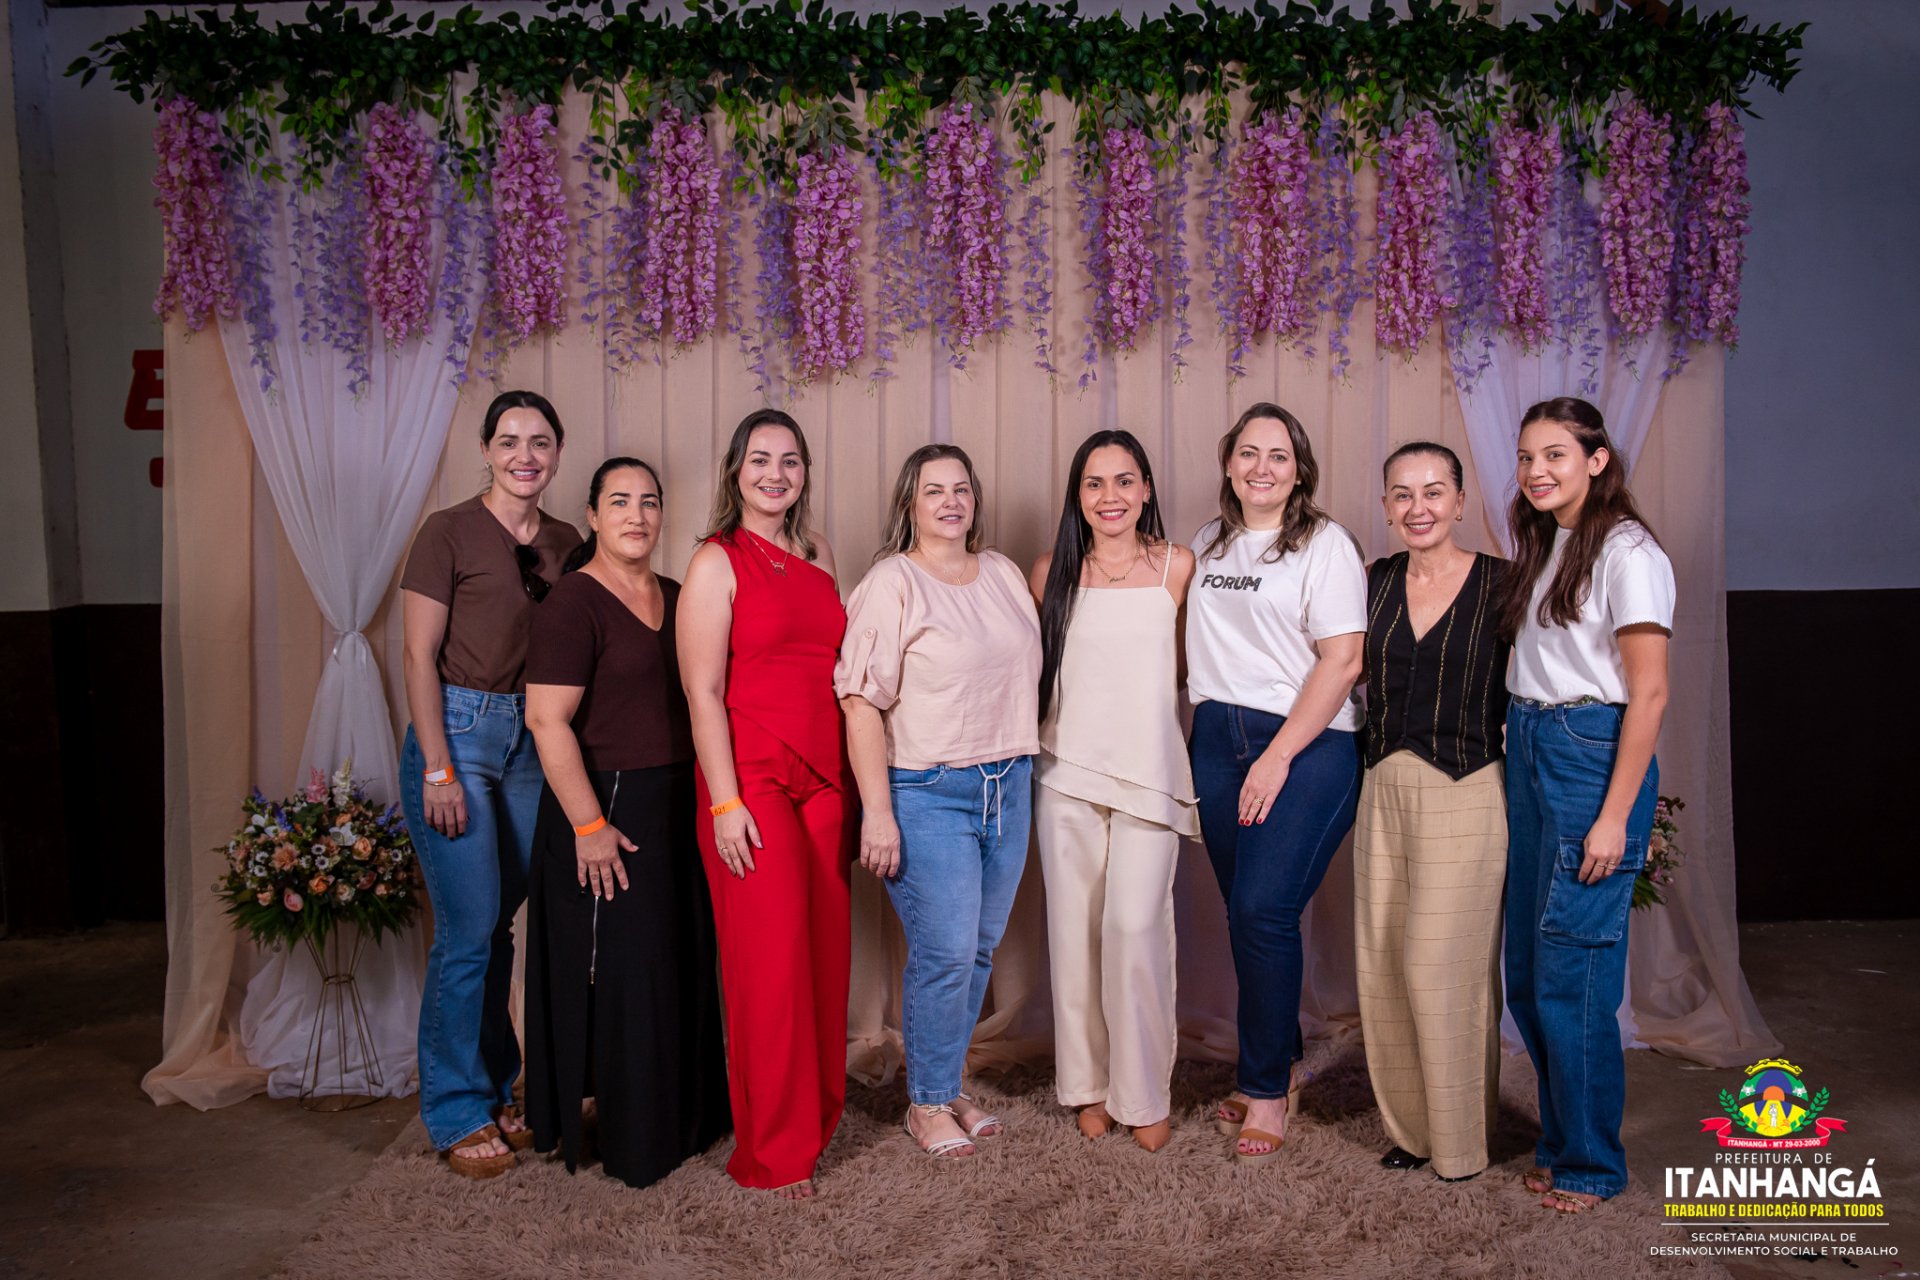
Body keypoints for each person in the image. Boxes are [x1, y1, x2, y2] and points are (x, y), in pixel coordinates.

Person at [522, 457, 730, 1189]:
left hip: (679, 799)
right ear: (592, 515)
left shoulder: (678, 594)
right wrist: (588, 827)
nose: (636, 516)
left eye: (648, 502)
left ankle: (687, 1120)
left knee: (679, 963)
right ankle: (637, 1140)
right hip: (608, 805)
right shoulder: (572, 602)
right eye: (619, 502)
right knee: (628, 975)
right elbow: (546, 721)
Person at [837, 445, 1041, 1161]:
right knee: (945, 952)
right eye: (934, 491)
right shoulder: (891, 583)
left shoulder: (1004, 573)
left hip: (1009, 782)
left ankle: (946, 1085)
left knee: (977, 951)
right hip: (928, 791)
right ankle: (924, 1105)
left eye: (961, 489)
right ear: (910, 504)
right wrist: (877, 811)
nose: (950, 502)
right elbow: (860, 702)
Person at [1496, 397, 1672, 1214]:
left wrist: (1614, 816)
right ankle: (1562, 1139)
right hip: (1531, 742)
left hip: (1588, 755)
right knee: (1529, 976)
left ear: (1597, 460)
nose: (1536, 471)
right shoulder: (1550, 540)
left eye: (1555, 455)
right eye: (1527, 456)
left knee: (1576, 973)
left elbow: (1650, 693)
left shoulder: (1629, 551)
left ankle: (1593, 1164)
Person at [398, 390, 580, 1178]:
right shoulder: (446, 532)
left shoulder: (568, 542)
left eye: (539, 442)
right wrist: (438, 767)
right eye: (509, 441)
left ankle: (499, 1087)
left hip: (533, 738)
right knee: (468, 931)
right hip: (460, 733)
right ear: (485, 450)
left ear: (557, 453)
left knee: (502, 923)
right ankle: (455, 1109)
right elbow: (416, 656)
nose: (524, 456)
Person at [678, 409, 853, 1200]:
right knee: (771, 968)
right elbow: (702, 691)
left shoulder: (818, 552)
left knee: (823, 958)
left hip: (827, 775)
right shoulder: (716, 560)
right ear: (735, 471)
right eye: (760, 459)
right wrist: (725, 803)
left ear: (805, 472)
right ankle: (775, 1155)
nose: (775, 474)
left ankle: (815, 1120)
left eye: (789, 460)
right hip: (751, 780)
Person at [1186, 402, 1366, 1166]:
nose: (1262, 467)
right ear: (1229, 463)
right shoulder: (1207, 542)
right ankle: (1282, 1057)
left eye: (1279, 456)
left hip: (1306, 743)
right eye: (1249, 453)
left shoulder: (1326, 545)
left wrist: (1278, 755)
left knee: (1264, 909)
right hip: (1214, 739)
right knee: (1245, 915)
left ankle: (1264, 1088)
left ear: (1299, 471)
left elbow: (1343, 660)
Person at [1028, 430, 1197, 1153]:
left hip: (1150, 771)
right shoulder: (1050, 573)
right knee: (1074, 934)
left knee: (1134, 927)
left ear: (1146, 488)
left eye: (1124, 481)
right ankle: (1089, 1088)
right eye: (1094, 483)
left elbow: (1187, 668)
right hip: (1065, 770)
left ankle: (1143, 1092)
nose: (1110, 497)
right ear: (1078, 495)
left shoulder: (1178, 566)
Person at [1354, 442, 1510, 1183]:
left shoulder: (1506, 585)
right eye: (1403, 494)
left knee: (1442, 966)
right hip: (1382, 786)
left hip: (1469, 785)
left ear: (1460, 502)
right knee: (1384, 963)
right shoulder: (1370, 582)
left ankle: (1460, 1142)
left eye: (1434, 491)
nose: (1419, 507)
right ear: (1386, 506)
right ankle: (1412, 1132)